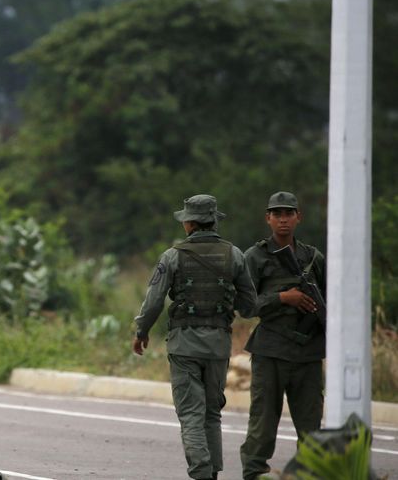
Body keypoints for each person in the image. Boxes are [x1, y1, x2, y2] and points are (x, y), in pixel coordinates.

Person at [132, 194, 257, 480]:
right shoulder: (234, 255)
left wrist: (141, 331)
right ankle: (212, 473)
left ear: (189, 223)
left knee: (191, 414)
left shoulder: (173, 256)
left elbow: (153, 302)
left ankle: (201, 473)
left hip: (184, 345)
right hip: (218, 346)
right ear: (214, 220)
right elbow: (250, 306)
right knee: (212, 412)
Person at [240, 191, 326, 480]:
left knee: (311, 426)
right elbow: (245, 305)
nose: (283, 219)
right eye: (277, 214)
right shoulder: (255, 257)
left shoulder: (314, 258)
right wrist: (282, 298)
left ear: (298, 217)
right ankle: (254, 473)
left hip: (309, 353)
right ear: (268, 219)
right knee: (263, 423)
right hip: (271, 351)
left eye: (288, 213)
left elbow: (332, 301)